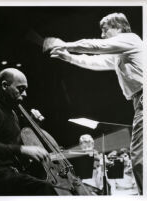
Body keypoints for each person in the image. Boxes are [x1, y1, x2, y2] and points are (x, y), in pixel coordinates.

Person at [45, 12, 143, 195]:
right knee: (141, 159)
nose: (103, 35)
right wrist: (68, 57)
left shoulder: (130, 39)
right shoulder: (121, 53)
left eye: (105, 30)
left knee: (139, 160)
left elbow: (97, 46)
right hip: (139, 101)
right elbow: (97, 61)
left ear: (118, 27)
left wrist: (64, 44)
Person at [0, 68, 57, 195]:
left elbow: (10, 141)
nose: (25, 94)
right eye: (20, 89)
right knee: (46, 189)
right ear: (5, 85)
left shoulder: (12, 112)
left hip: (12, 171)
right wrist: (22, 150)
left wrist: (33, 124)